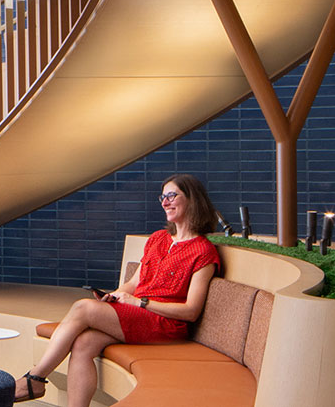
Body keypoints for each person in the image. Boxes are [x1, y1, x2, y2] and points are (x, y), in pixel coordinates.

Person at [13, 174, 223, 406]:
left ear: (193, 199)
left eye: (172, 195)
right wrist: (114, 295)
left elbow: (191, 311)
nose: (165, 202)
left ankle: (35, 378)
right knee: (83, 344)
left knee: (82, 307)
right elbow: (134, 284)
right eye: (162, 197)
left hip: (165, 325)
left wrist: (139, 303)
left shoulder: (203, 252)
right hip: (136, 316)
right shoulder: (159, 239)